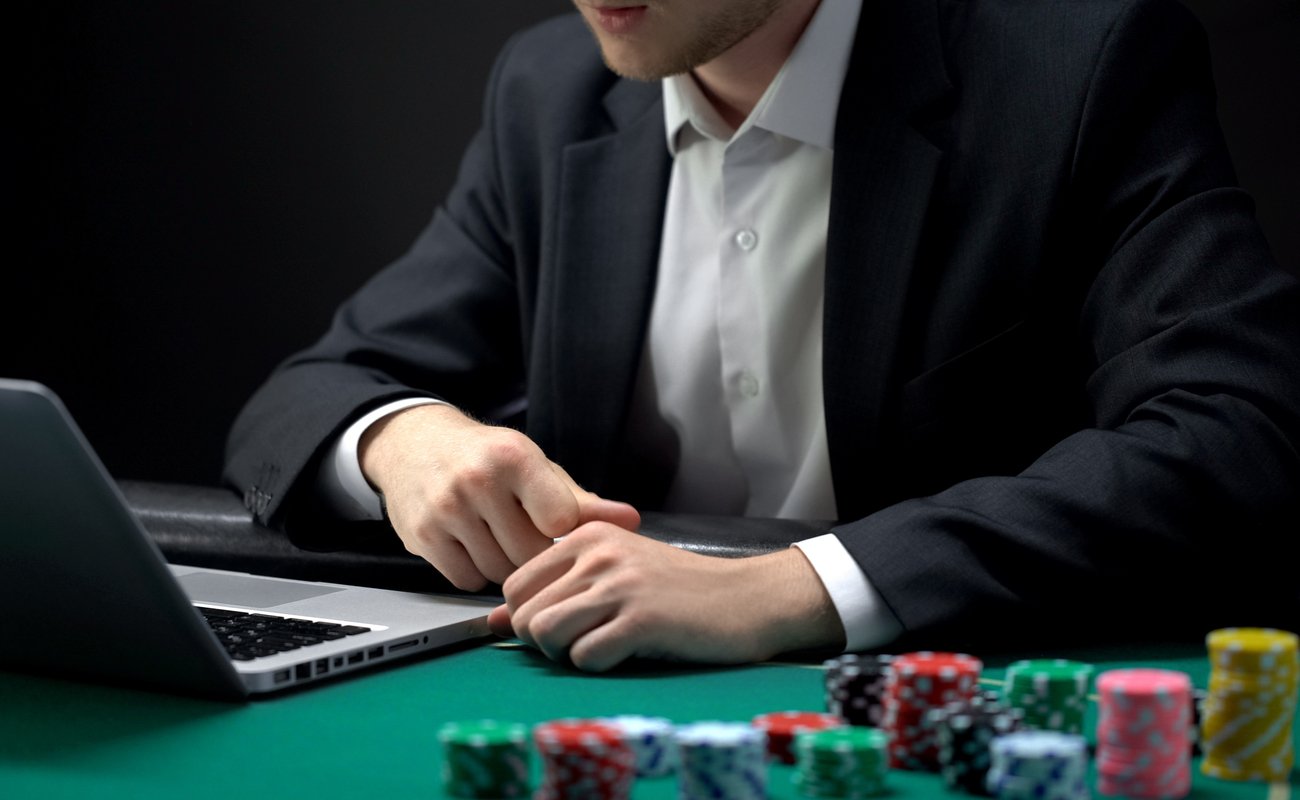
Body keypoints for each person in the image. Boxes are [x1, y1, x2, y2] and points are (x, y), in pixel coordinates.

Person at [225, 0, 1300, 671]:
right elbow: (309, 393)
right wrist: (405, 440)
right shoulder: (548, 91)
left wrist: (790, 588)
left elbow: (1235, 426)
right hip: (600, 699)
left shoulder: (1079, 60)